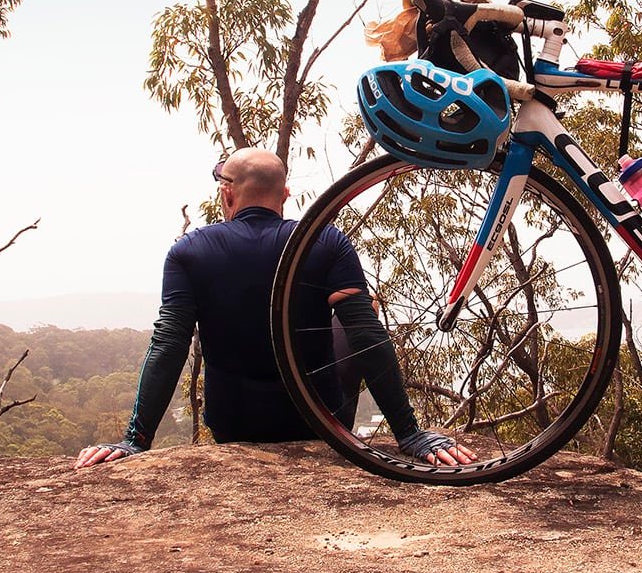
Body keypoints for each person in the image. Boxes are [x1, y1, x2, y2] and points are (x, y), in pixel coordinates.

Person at [76, 148, 474, 469]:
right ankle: (403, 430)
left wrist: (135, 439)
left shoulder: (189, 251)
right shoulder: (326, 242)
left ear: (227, 194)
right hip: (319, 423)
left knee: (182, 328)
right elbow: (366, 337)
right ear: (284, 196)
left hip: (234, 424)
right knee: (356, 316)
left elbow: (169, 344)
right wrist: (409, 434)